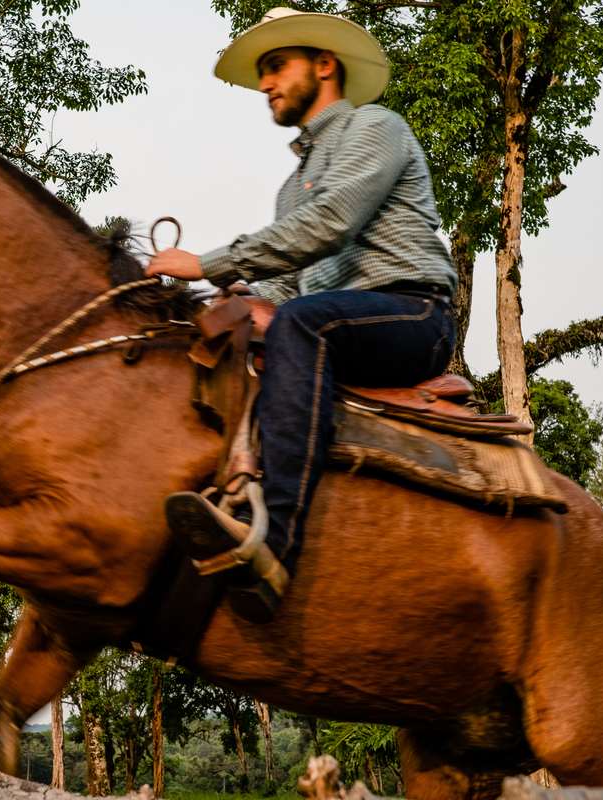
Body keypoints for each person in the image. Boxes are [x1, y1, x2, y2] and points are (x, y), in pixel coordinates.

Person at [145, 8, 457, 623]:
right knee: (249, 341)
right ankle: (231, 499)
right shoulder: (291, 189)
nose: (264, 85)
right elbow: (284, 286)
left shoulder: (376, 127)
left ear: (323, 65)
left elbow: (328, 224)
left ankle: (275, 545)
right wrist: (230, 302)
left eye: (274, 67)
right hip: (332, 319)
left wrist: (205, 263)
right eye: (262, 73)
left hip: (412, 315)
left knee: (303, 325)